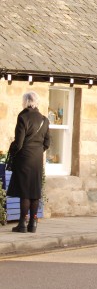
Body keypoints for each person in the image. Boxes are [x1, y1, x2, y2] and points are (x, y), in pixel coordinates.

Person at [7, 91, 50, 233]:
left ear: (26, 101)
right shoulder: (45, 119)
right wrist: (37, 150)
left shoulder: (23, 117)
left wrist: (11, 150)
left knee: (25, 192)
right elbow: (47, 143)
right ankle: (33, 224)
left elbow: (18, 143)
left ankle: (22, 224)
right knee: (35, 190)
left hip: (24, 158)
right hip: (37, 159)